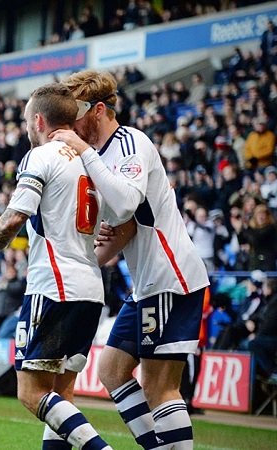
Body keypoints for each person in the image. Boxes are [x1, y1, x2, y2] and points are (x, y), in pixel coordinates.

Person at [55, 69, 210, 450]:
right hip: (146, 283)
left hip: (170, 275)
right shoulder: (102, 157)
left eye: (76, 112)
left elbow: (125, 204)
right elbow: (122, 227)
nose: (71, 122)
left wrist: (85, 152)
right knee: (111, 370)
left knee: (160, 386)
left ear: (99, 110)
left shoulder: (129, 143)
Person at [0, 83, 111, 450]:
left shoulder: (41, 155)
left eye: (27, 119)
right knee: (62, 395)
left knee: (31, 393)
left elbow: (14, 218)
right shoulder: (90, 160)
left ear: (39, 120)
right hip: (91, 288)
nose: (26, 126)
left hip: (54, 286)